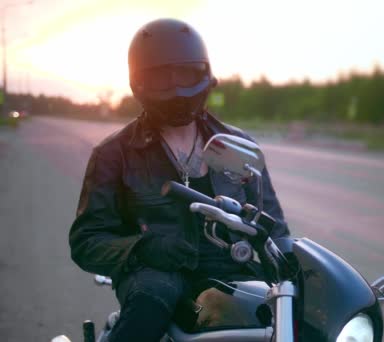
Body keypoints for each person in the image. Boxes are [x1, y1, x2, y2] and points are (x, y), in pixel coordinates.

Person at [69, 18, 289, 341]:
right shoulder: (114, 153)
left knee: (286, 309)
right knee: (151, 300)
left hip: (230, 270)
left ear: (204, 74)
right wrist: (142, 249)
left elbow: (278, 230)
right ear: (139, 82)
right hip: (155, 271)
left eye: (185, 74)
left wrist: (296, 269)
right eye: (161, 77)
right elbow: (86, 241)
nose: (176, 88)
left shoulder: (239, 146)